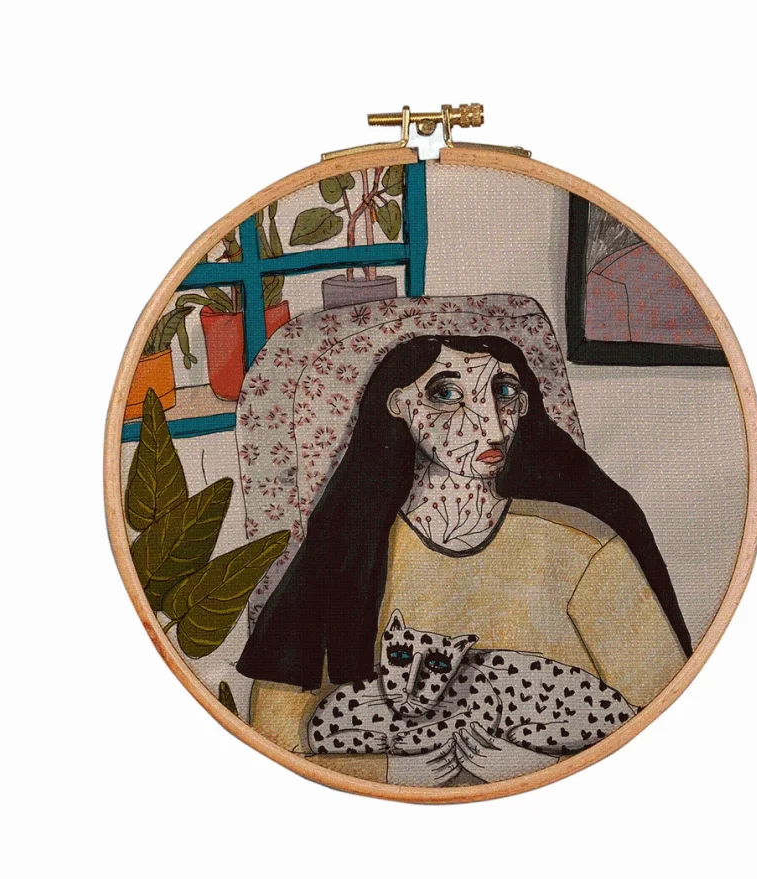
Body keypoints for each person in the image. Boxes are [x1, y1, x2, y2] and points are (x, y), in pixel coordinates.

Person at [237, 334, 689, 785]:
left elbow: (667, 723)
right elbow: (275, 736)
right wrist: (394, 773)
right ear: (399, 405)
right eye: (448, 395)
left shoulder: (585, 547)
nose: (491, 426)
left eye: (504, 392)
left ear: (525, 406)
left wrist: (538, 769)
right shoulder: (347, 549)